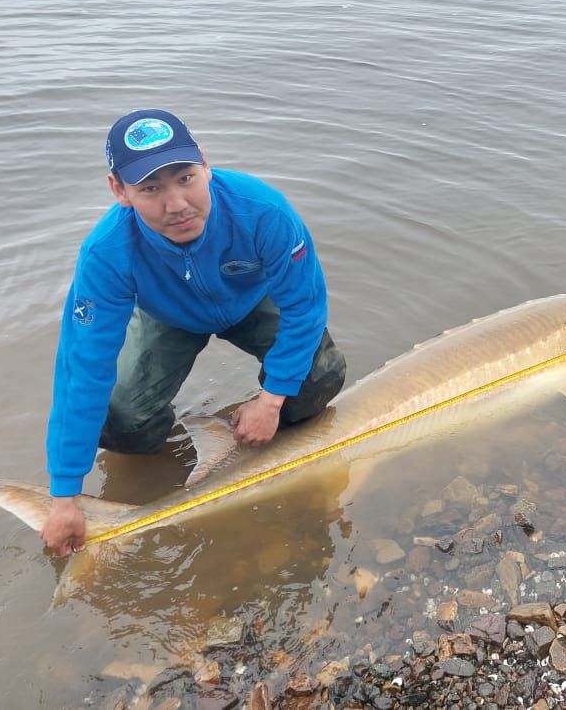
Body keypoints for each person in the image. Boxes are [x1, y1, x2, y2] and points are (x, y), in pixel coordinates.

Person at [39, 109, 346, 556]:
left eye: (185, 178)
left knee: (319, 380)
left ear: (204, 162)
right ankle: (180, 452)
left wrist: (272, 400)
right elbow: (82, 371)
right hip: (169, 316)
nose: (177, 204)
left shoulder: (262, 211)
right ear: (118, 191)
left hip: (250, 300)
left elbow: (304, 307)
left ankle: (250, 431)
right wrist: (64, 497)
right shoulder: (106, 254)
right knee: (122, 420)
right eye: (150, 189)